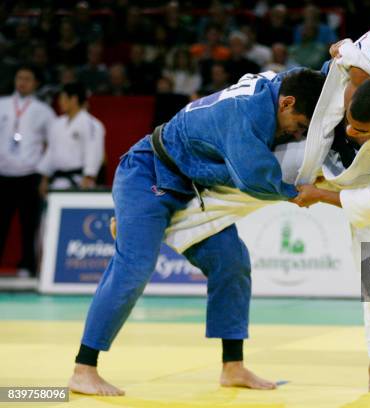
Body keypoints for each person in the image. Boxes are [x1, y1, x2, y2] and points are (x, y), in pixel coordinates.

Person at [164, 30, 370, 393]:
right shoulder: (368, 58)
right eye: (352, 121)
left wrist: (321, 196)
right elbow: (369, 40)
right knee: (252, 181)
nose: (353, 130)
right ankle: (162, 216)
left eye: (361, 130)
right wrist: (340, 49)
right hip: (324, 142)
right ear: (358, 79)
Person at [67, 69, 326, 396]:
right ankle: (83, 368)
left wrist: (341, 60)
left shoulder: (277, 85)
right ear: (287, 103)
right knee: (135, 266)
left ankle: (233, 366)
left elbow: (313, 79)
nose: (297, 134)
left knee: (232, 261)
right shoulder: (244, 116)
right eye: (300, 125)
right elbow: (255, 179)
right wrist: (298, 194)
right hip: (149, 176)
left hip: (191, 189)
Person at [0, 65, 56, 277]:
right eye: (19, 77)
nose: (22, 82)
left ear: (36, 83)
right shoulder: (2, 104)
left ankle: (28, 265)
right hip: (2, 173)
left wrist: (43, 172)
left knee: (29, 224)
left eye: (27, 79)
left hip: (29, 173)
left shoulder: (44, 111)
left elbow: (53, 143)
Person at [38, 82, 105, 192]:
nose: (60, 102)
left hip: (80, 181)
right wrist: (44, 177)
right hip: (57, 181)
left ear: (74, 99)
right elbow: (51, 152)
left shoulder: (91, 124)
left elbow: (94, 152)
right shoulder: (57, 123)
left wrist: (89, 176)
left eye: (63, 98)